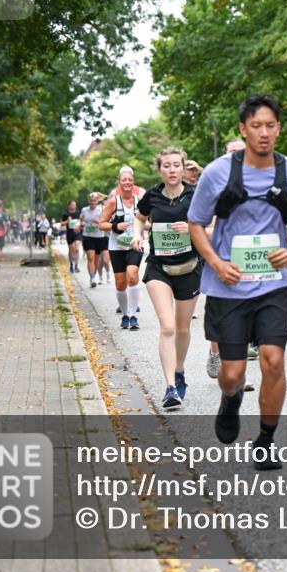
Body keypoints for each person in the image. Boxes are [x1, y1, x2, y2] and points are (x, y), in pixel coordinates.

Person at [188, 94, 287, 470]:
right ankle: (230, 399)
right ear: (243, 130)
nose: (264, 133)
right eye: (256, 126)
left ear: (279, 128)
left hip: (272, 286)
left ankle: (265, 440)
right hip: (227, 287)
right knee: (232, 374)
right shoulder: (218, 172)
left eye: (270, 126)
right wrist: (215, 263)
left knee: (273, 360)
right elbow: (196, 223)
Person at [133, 147, 203, 410]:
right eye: (167, 166)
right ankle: (170, 386)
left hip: (189, 266)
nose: (172, 170)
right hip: (159, 267)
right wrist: (138, 235)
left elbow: (214, 225)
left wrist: (192, 228)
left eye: (176, 165)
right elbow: (139, 219)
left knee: (183, 328)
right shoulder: (151, 196)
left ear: (183, 168)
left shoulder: (195, 195)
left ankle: (180, 368)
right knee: (168, 327)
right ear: (159, 169)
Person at [206, 137, 260, 379]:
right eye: (232, 153)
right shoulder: (213, 185)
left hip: (249, 259)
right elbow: (199, 226)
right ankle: (215, 351)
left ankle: (238, 373)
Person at [101, 166, 145, 331]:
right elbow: (101, 224)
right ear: (119, 182)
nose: (127, 182)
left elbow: (148, 222)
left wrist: (148, 227)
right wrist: (115, 225)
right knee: (120, 283)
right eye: (124, 180)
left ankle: (133, 316)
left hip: (135, 244)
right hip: (116, 246)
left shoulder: (140, 202)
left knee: (132, 276)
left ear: (133, 182)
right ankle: (125, 314)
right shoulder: (113, 201)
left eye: (130, 180)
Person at [80, 193, 107, 287]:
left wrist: (98, 222)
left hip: (99, 237)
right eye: (91, 201)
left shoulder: (101, 210)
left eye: (94, 201)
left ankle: (94, 276)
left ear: (97, 201)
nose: (92, 202)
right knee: (90, 258)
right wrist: (80, 225)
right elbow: (81, 220)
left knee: (96, 259)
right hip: (87, 236)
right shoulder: (84, 210)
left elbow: (105, 223)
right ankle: (92, 278)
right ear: (88, 201)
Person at [62, 200, 82, 273]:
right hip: (70, 234)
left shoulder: (78, 213)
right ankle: (71, 265)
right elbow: (62, 224)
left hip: (77, 233)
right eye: (73, 205)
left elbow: (81, 221)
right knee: (71, 250)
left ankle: (76, 266)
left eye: (75, 205)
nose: (74, 206)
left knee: (77, 249)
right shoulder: (65, 214)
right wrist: (67, 221)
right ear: (69, 206)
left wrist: (80, 224)